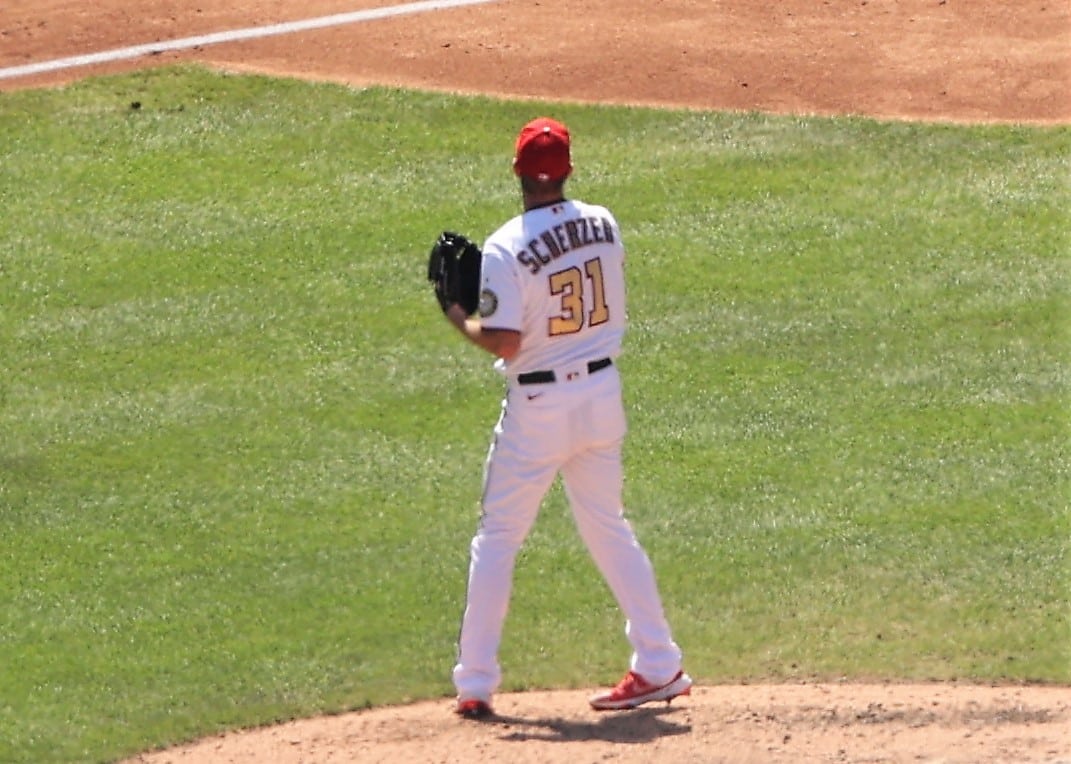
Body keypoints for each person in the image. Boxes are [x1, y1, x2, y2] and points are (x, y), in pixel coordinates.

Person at [441, 117, 691, 718]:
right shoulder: (604, 221)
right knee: (609, 526)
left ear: (517, 172)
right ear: (569, 171)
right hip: (602, 396)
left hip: (539, 408)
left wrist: (455, 313)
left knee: (499, 537)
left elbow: (503, 340)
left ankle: (475, 682)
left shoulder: (505, 244)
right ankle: (658, 663)